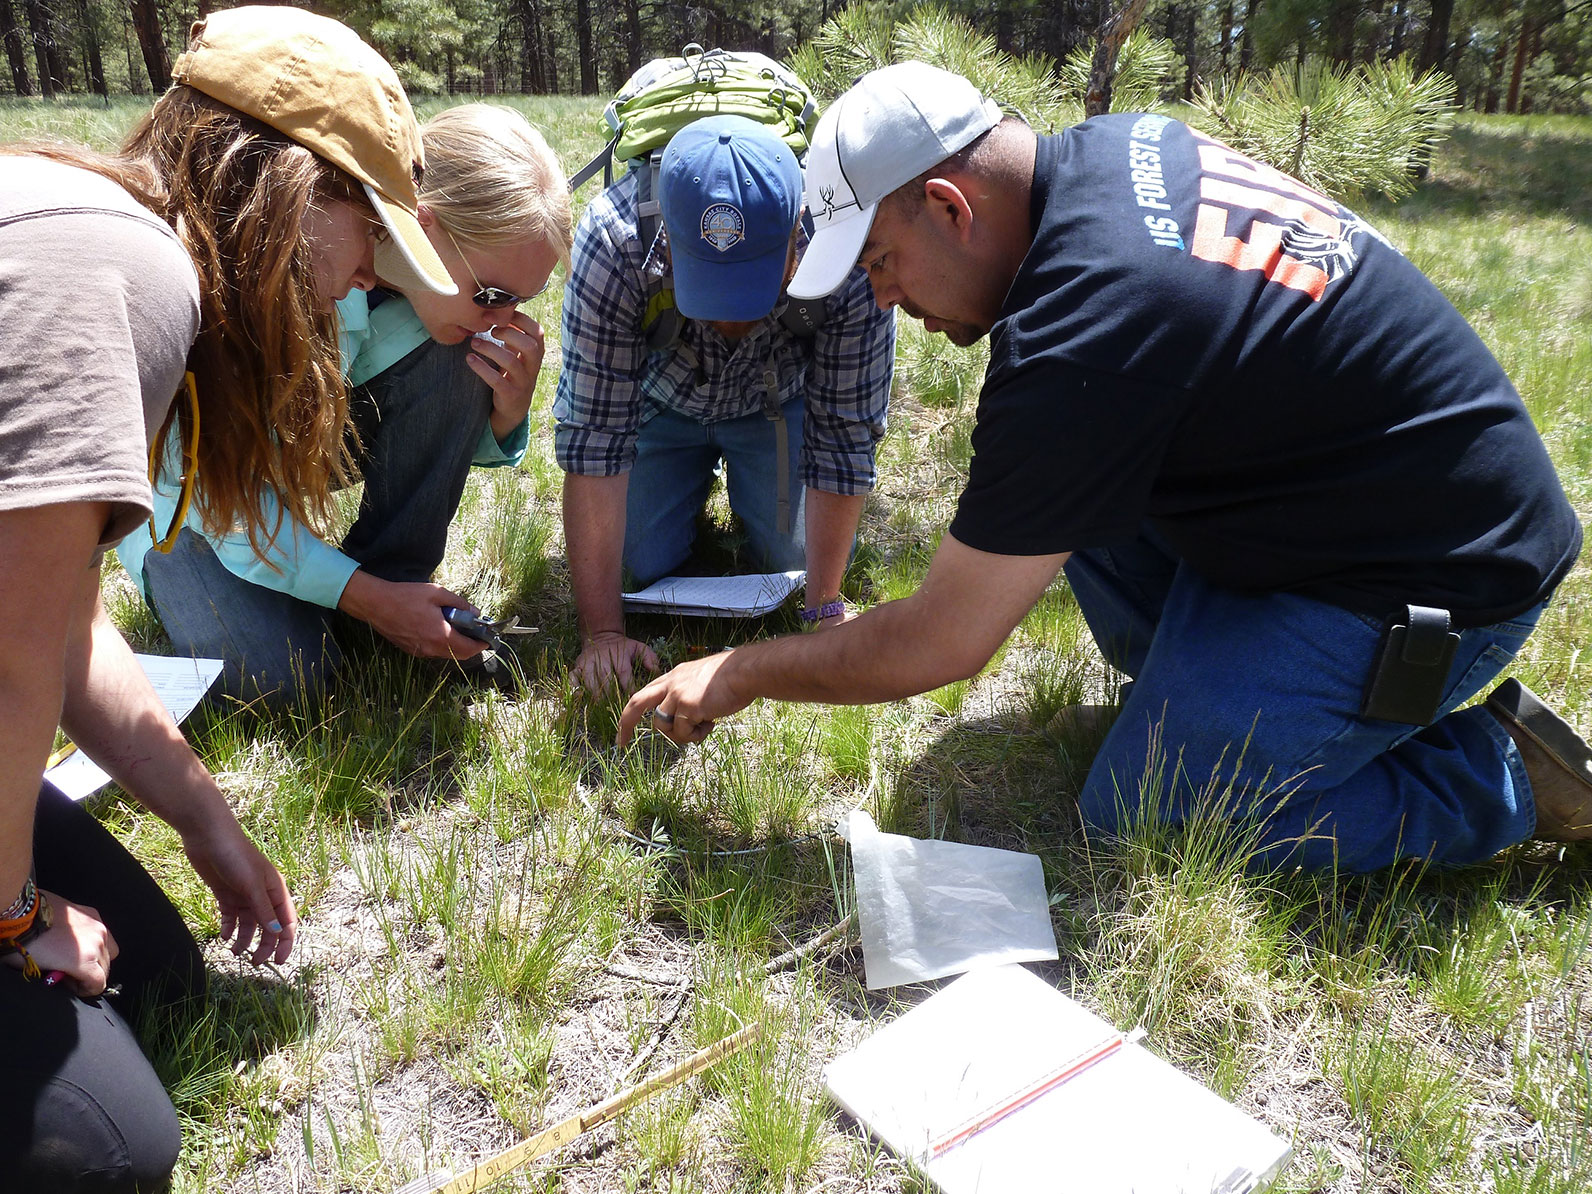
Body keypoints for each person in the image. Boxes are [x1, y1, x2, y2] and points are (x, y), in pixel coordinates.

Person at [619, 62, 1592, 872]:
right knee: (1046, 494)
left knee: (1153, 818)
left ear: (949, 207)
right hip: (1345, 510)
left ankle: (1497, 774)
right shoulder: (1106, 154)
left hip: (1439, 577)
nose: (878, 300)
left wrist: (743, 671)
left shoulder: (1086, 328)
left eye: (877, 261)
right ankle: (1218, 703)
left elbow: (940, 643)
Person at [0, 8, 455, 1188]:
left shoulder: (116, 238)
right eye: (366, 242)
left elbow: (66, 623)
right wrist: (14, 920)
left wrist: (202, 817)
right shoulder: (128, 276)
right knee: (102, 1152)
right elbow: (9, 671)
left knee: (156, 976)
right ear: (294, 197)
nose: (361, 282)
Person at [116, 103, 573, 707]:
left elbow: (431, 435)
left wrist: (507, 411)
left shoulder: (434, 306)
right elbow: (217, 499)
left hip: (284, 461)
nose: (504, 321)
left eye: (523, 300)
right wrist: (366, 598)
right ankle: (370, 603)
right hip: (186, 506)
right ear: (424, 231)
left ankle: (392, 590)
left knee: (457, 349)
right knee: (279, 682)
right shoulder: (290, 269)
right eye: (491, 294)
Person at [555, 114, 896, 695]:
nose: (734, 321)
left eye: (753, 290)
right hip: (658, 404)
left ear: (798, 236)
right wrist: (603, 634)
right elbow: (594, 438)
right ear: (668, 242)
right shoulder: (614, 242)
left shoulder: (846, 250)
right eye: (710, 291)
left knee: (794, 564)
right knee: (637, 565)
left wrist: (823, 608)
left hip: (777, 403)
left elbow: (845, 433)